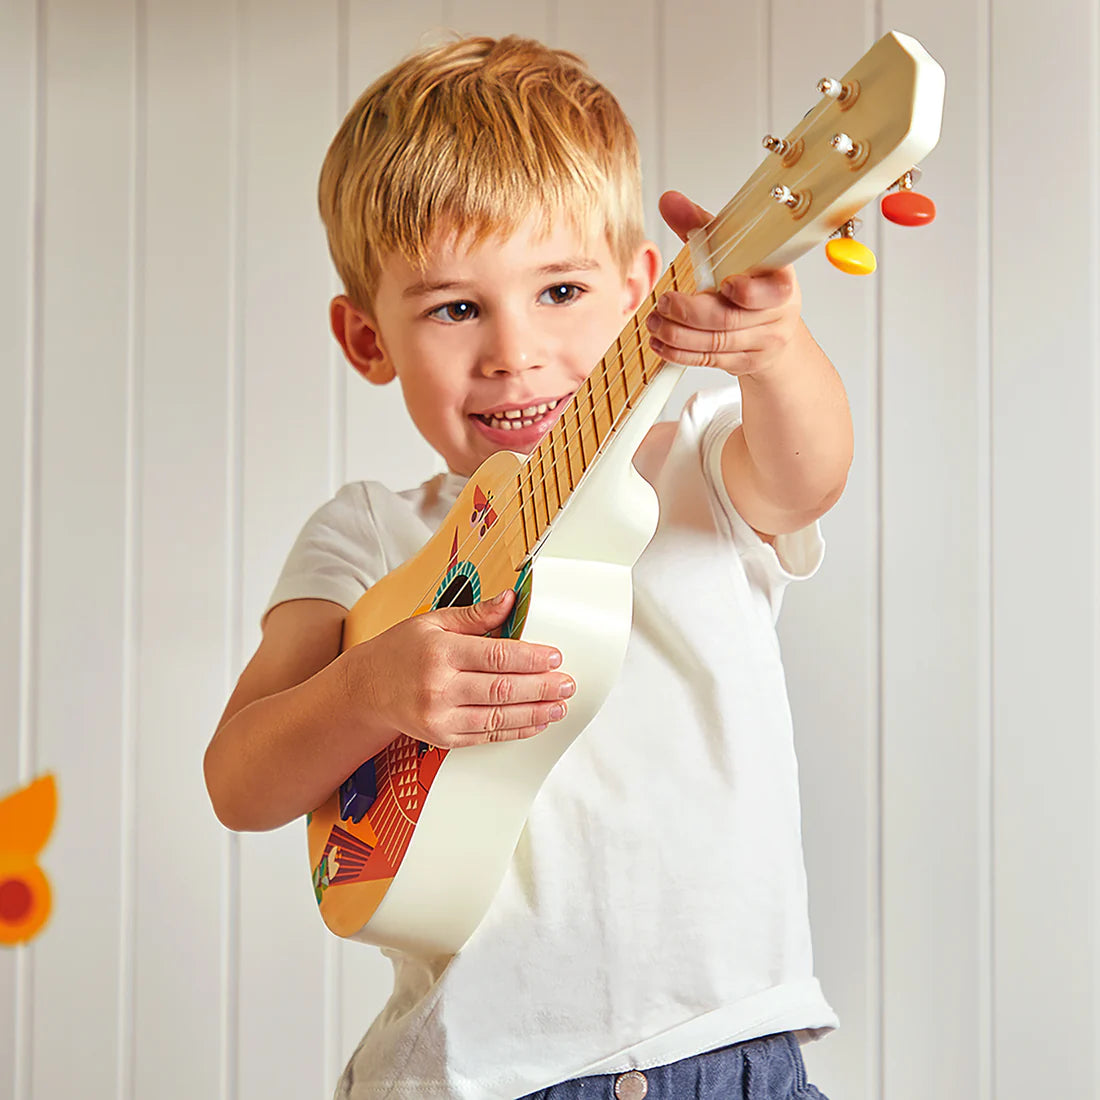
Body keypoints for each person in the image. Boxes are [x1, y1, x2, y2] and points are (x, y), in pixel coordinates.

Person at [204, 33, 851, 1100]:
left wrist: (776, 348)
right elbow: (239, 777)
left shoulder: (699, 465)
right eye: (456, 307)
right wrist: (368, 689)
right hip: (478, 1074)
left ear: (641, 287)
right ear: (366, 339)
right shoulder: (368, 533)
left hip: (740, 1049)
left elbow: (808, 474)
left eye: (558, 290)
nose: (515, 350)